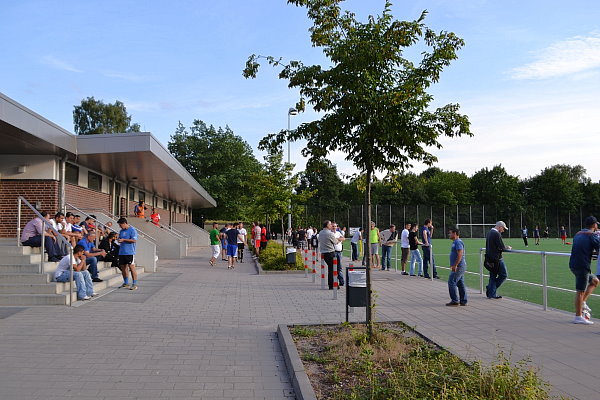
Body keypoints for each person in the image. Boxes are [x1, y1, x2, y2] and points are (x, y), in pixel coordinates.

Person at [569, 216, 599, 325]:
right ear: (594, 225)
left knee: (595, 281)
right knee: (580, 291)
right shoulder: (592, 235)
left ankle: (583, 302)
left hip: (574, 264)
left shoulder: (578, 233)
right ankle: (578, 317)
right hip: (582, 265)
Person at [485, 221, 512, 299]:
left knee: (492, 276)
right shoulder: (496, 234)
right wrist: (507, 247)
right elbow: (502, 247)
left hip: (489, 258)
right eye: (503, 228)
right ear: (500, 227)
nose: (503, 230)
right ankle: (491, 290)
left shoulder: (489, 232)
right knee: (504, 275)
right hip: (497, 259)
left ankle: (491, 291)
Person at [318, 220, 343, 290]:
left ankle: (332, 284)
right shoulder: (330, 233)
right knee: (334, 269)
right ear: (327, 225)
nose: (331, 226)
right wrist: (340, 239)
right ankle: (333, 285)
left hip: (324, 253)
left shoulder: (320, 232)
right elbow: (335, 242)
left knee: (331, 269)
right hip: (330, 253)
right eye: (330, 224)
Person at [446, 228, 467, 306]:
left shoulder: (458, 242)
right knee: (460, 283)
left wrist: (455, 265)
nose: (449, 234)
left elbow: (460, 254)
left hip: (459, 266)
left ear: (454, 233)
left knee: (451, 282)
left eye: (450, 233)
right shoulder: (455, 242)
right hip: (459, 266)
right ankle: (463, 301)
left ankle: (455, 300)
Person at [117, 217, 139, 290]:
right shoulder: (121, 231)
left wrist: (124, 240)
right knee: (123, 268)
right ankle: (126, 283)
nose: (120, 227)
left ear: (124, 223)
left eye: (121, 225)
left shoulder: (132, 230)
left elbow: (134, 240)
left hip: (129, 252)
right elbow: (120, 239)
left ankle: (134, 284)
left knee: (132, 267)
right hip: (122, 252)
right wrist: (119, 240)